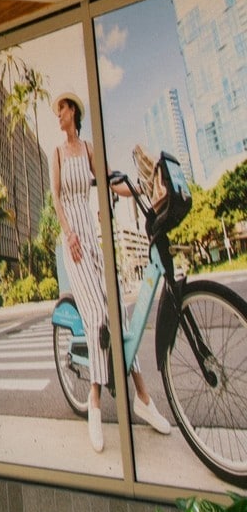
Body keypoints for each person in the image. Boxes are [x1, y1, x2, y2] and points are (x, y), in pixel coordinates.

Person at [50, 89, 171, 454]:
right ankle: (96, 406)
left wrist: (136, 189)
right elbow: (56, 196)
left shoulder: (86, 149)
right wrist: (68, 233)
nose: (59, 116)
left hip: (92, 232)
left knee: (116, 313)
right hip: (74, 238)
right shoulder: (56, 154)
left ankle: (143, 398)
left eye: (63, 109)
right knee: (98, 316)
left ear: (74, 112)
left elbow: (107, 182)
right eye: (57, 111)